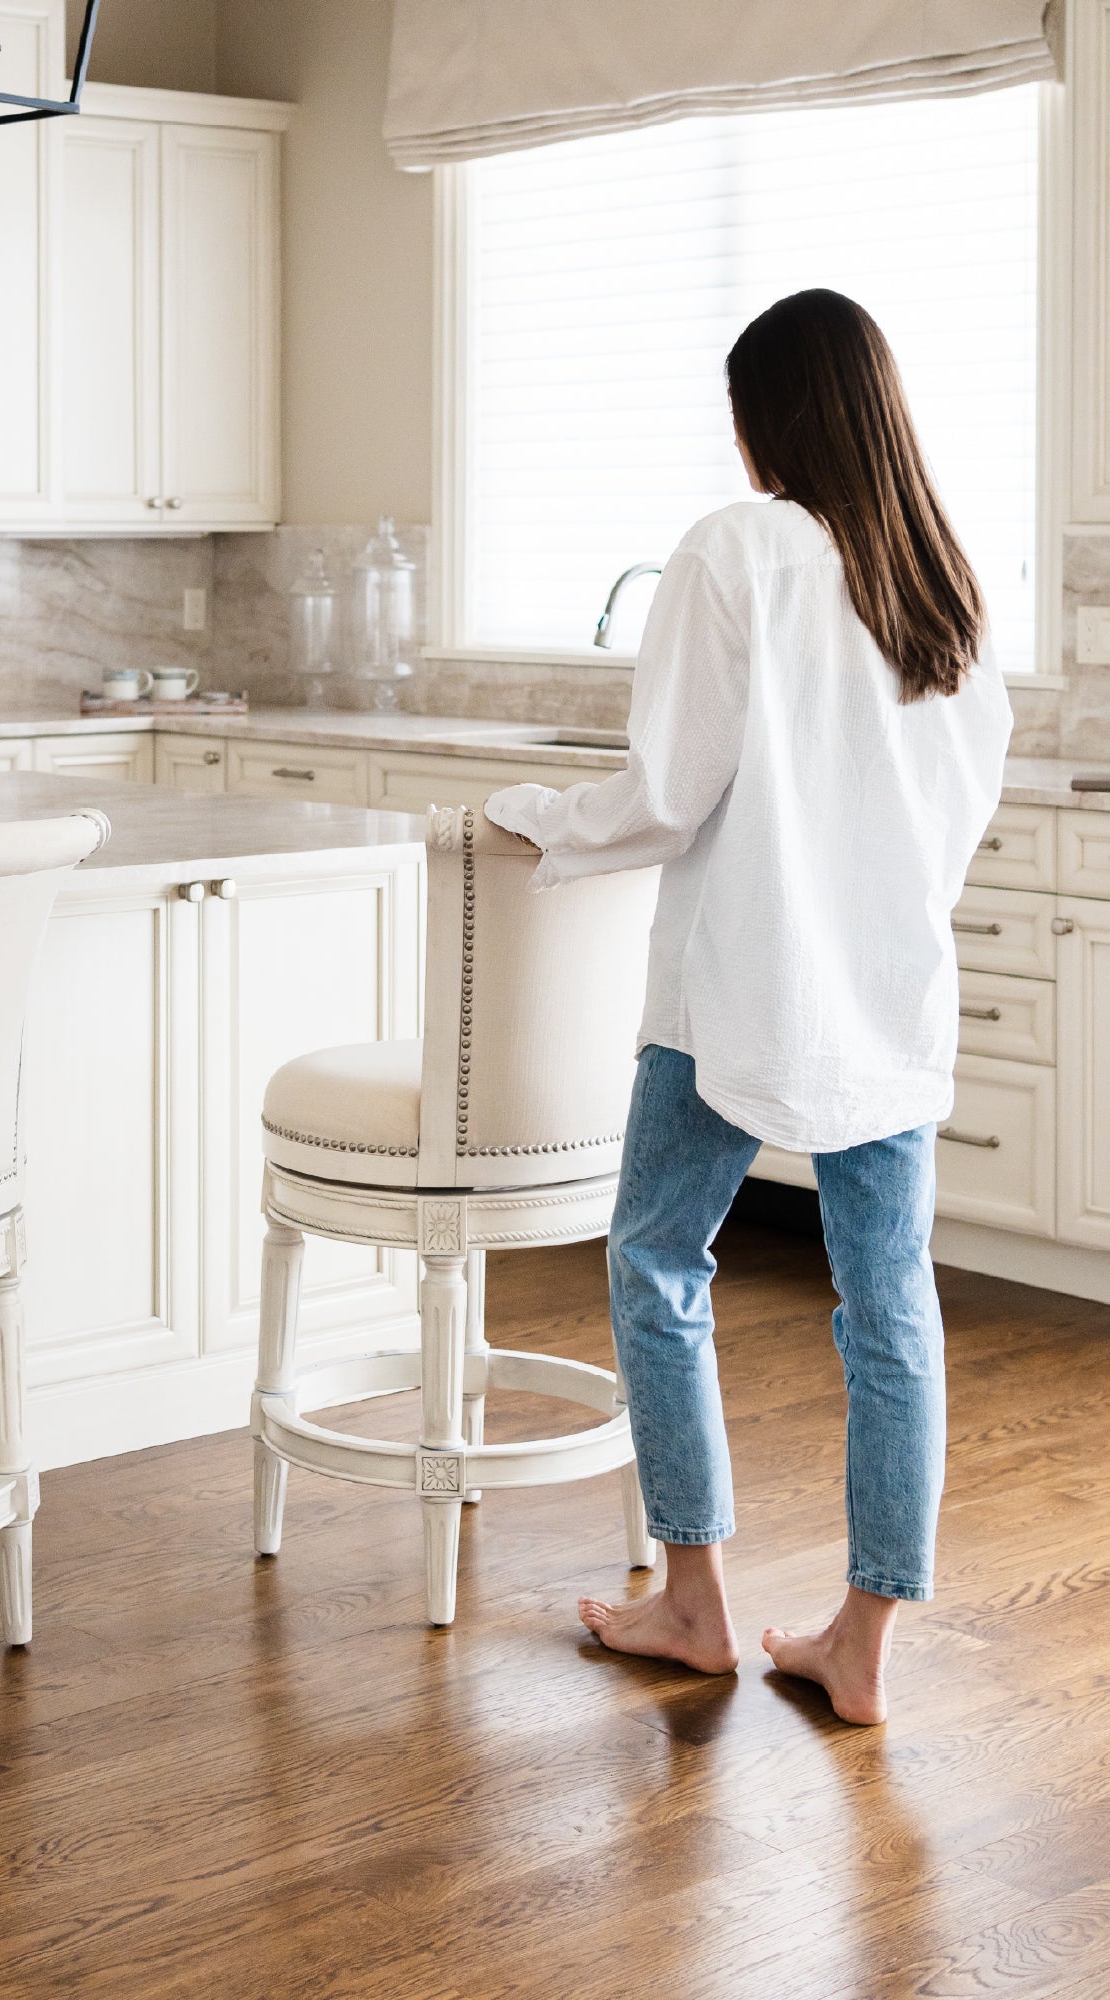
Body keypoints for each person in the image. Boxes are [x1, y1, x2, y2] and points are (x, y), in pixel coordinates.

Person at [484, 288, 1013, 1725]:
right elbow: (951, 808)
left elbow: (664, 794)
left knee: (658, 1265)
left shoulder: (735, 550)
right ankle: (859, 1645)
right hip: (888, 996)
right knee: (888, 1311)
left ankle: (695, 1603)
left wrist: (529, 814)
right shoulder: (941, 575)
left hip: (732, 992)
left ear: (762, 417)